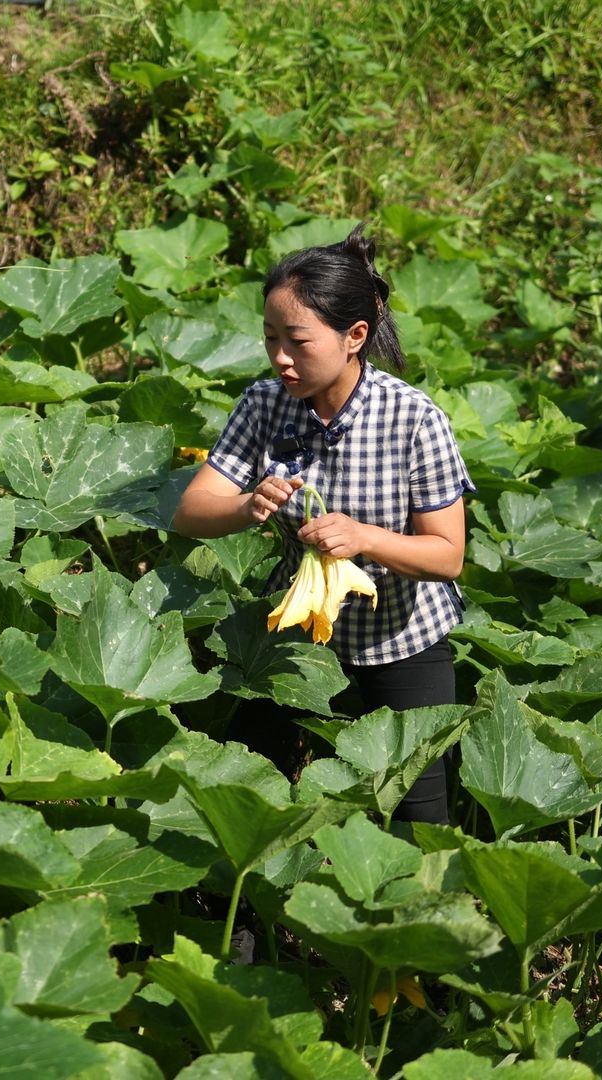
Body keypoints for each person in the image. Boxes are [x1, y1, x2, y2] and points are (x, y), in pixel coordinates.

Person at [172, 224, 474, 825]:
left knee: (420, 817)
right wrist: (247, 506)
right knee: (256, 802)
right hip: (298, 636)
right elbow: (189, 512)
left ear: (354, 336)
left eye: (298, 342)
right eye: (270, 339)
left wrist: (364, 538)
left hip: (402, 636)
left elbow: (448, 556)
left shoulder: (414, 419)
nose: (281, 358)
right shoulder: (263, 404)